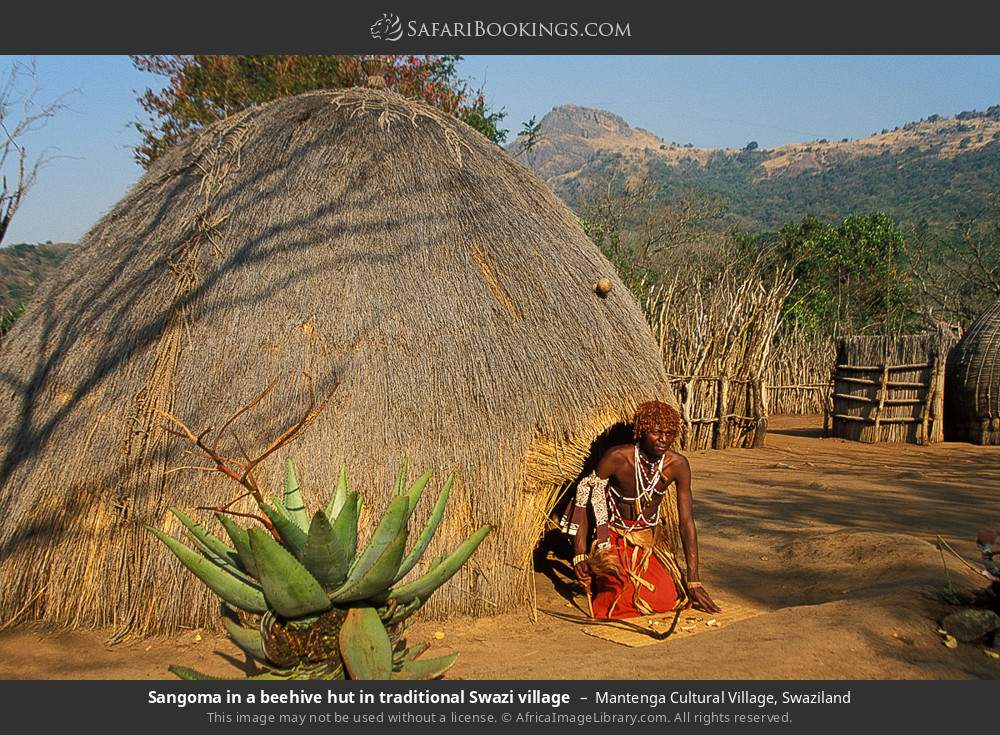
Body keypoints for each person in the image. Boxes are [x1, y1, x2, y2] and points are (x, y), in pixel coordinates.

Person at [560, 400, 720, 618]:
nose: (663, 439)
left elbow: (686, 522)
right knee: (618, 602)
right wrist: (580, 554)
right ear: (642, 431)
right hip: (614, 540)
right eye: (656, 432)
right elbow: (586, 498)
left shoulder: (677, 465)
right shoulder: (618, 457)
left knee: (664, 599)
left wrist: (693, 580)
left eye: (669, 433)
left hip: (648, 542)